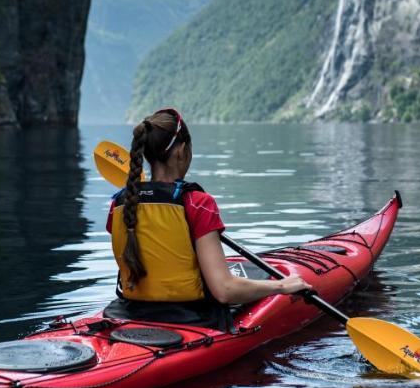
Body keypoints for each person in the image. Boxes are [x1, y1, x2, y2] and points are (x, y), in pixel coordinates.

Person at [105, 108, 311, 327]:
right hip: (190, 317)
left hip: (128, 314)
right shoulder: (197, 203)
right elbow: (224, 291)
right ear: (182, 151)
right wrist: (283, 286)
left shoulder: (119, 203)